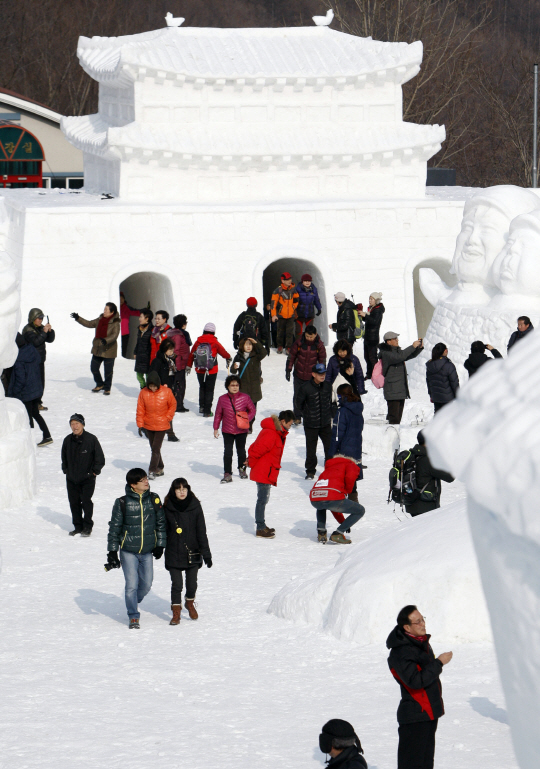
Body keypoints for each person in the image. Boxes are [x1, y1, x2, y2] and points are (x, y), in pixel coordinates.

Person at [387, 605, 453, 769]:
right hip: (414, 716)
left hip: (428, 714)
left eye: (423, 619)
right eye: (418, 622)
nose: (423, 624)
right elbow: (415, 681)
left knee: (425, 763)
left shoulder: (420, 643)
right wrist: (439, 663)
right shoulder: (401, 652)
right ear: (407, 627)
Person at [106, 468, 166, 629]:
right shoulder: (122, 502)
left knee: (146, 584)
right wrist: (112, 551)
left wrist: (160, 544)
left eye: (146, 478)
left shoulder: (154, 499)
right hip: (128, 551)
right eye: (142, 480)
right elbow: (114, 528)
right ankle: (133, 615)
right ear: (133, 485)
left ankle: (132, 599)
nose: (147, 481)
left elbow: (161, 523)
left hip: (147, 551)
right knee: (131, 585)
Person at [163, 477, 212, 625]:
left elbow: (201, 532)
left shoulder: (195, 506)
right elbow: (162, 530)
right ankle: (176, 611)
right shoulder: (167, 507)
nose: (182, 492)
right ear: (174, 491)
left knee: (192, 584)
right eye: (179, 489)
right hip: (173, 552)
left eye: (184, 488)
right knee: (177, 584)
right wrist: (159, 547)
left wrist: (207, 554)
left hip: (193, 552)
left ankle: (189, 603)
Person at [247, 410, 294, 538]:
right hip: (263, 471)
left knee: (264, 499)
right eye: (290, 424)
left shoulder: (276, 432)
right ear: (283, 422)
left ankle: (262, 525)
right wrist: (250, 462)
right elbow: (257, 449)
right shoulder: (271, 433)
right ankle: (260, 528)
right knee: (262, 499)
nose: (290, 427)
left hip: (266, 470)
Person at [61, 413, 105, 537]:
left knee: (86, 502)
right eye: (72, 424)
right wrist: (66, 470)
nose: (74, 426)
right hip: (71, 478)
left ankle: (87, 526)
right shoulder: (67, 440)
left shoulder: (91, 439)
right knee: (74, 502)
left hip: (87, 478)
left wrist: (94, 471)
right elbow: (64, 457)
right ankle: (78, 527)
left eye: (77, 423)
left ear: (82, 424)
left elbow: (100, 458)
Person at [8, 333, 52, 447]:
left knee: (28, 417)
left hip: (26, 392)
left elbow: (20, 379)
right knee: (35, 414)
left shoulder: (19, 358)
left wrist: (14, 393)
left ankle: (30, 441)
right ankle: (47, 435)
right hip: (35, 389)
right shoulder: (32, 350)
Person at [309, 455, 365, 543]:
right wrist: (347, 491)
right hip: (332, 497)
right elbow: (350, 477)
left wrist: (342, 521)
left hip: (315, 497)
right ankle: (338, 534)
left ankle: (321, 533)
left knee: (321, 505)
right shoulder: (349, 464)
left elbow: (330, 504)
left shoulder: (329, 468)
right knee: (360, 510)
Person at [71, 302, 121, 395]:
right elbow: (89, 323)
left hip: (109, 349)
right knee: (94, 368)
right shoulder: (100, 319)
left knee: (108, 371)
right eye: (104, 309)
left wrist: (106, 340)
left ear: (112, 312)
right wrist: (78, 318)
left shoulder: (115, 322)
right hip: (98, 348)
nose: (104, 311)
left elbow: (115, 335)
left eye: (106, 310)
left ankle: (107, 388)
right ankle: (100, 384)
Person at [213, 375, 256, 483]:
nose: (235, 387)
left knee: (241, 451)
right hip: (227, 430)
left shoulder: (245, 397)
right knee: (228, 452)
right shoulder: (222, 399)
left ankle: (242, 470)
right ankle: (227, 473)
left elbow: (252, 410)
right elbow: (218, 414)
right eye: (232, 385)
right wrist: (216, 428)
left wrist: (246, 419)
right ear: (227, 386)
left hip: (241, 430)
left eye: (237, 385)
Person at [136, 370, 177, 480]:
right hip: (148, 424)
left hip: (162, 425)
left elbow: (173, 405)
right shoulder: (143, 393)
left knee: (155, 448)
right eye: (150, 386)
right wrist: (140, 424)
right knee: (154, 448)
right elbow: (140, 409)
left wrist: (167, 418)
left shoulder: (166, 392)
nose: (153, 388)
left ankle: (152, 470)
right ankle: (160, 466)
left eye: (155, 386)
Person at [297, 363, 333, 480]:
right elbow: (299, 404)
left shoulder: (328, 386)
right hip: (311, 424)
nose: (322, 376)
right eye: (319, 374)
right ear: (313, 374)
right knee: (311, 449)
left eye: (324, 373)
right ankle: (310, 471)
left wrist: (330, 413)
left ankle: (330, 469)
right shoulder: (305, 387)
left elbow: (330, 402)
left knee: (329, 448)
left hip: (326, 423)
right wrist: (308, 414)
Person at [186, 323, 232, 418]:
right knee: (209, 390)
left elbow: (192, 354)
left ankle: (202, 407)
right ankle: (207, 411)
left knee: (202, 387)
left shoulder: (198, 341)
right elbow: (223, 351)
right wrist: (228, 357)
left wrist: (189, 365)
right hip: (212, 369)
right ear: (213, 332)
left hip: (199, 369)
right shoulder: (214, 341)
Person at [378, 332, 423, 425]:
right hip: (392, 390)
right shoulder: (386, 353)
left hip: (399, 389)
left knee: (397, 418)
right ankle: (390, 436)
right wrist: (412, 346)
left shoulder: (396, 352)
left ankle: (394, 435)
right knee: (394, 419)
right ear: (388, 342)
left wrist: (419, 348)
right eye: (395, 339)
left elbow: (408, 355)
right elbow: (400, 357)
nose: (397, 340)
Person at [406, 431, 454, 516]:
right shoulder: (429, 460)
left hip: (412, 505)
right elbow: (450, 477)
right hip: (426, 507)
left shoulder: (412, 456)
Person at [286, 324, 326, 424]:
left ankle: (309, 416)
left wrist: (321, 375)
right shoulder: (299, 342)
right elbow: (292, 356)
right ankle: (297, 416)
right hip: (298, 374)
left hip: (311, 377)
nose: (309, 339)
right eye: (307, 336)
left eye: (311, 337)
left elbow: (322, 361)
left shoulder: (319, 345)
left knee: (310, 397)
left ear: (315, 335)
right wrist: (288, 369)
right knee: (297, 396)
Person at [22, 307, 55, 410]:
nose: (41, 320)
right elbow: (35, 342)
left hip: (40, 360)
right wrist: (44, 332)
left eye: (42, 318)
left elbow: (50, 340)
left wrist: (50, 331)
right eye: (39, 318)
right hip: (31, 362)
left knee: (40, 383)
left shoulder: (40, 328)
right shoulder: (28, 330)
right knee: (33, 384)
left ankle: (37, 403)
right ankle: (31, 404)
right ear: (33, 318)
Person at [230, 337, 267, 427]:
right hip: (243, 387)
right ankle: (244, 424)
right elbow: (233, 371)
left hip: (254, 387)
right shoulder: (238, 356)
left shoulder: (256, 356)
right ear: (242, 346)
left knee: (252, 408)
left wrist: (257, 342)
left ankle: (250, 423)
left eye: (250, 344)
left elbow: (264, 352)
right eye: (246, 344)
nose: (248, 346)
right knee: (243, 408)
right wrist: (234, 367)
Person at [149, 339, 180, 442]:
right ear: (164, 350)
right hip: (159, 391)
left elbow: (173, 376)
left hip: (169, 390)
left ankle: (170, 433)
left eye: (172, 350)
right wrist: (158, 386)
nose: (172, 352)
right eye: (170, 350)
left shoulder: (171, 360)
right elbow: (152, 376)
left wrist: (174, 388)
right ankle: (149, 428)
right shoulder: (157, 361)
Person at [330, 384, 364, 462]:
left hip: (344, 451)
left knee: (344, 473)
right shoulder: (358, 410)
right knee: (356, 472)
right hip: (357, 448)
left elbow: (337, 434)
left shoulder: (342, 411)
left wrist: (332, 452)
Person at [166, 314, 191, 412]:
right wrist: (178, 366)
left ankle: (178, 404)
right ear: (184, 324)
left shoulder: (177, 334)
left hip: (180, 363)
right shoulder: (178, 336)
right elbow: (176, 351)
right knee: (179, 385)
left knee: (178, 384)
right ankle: (178, 405)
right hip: (179, 365)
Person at [425, 342, 459, 413]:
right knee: (447, 418)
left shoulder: (430, 365)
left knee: (438, 417)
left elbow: (428, 382)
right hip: (448, 398)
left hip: (435, 397)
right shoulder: (449, 365)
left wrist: (431, 395)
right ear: (445, 351)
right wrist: (457, 395)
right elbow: (454, 382)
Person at [271, 272, 299, 353]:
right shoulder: (277, 291)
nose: (289, 281)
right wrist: (274, 315)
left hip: (290, 315)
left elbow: (296, 300)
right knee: (280, 332)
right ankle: (279, 346)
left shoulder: (293, 290)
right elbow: (273, 304)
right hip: (280, 315)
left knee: (290, 332)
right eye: (287, 279)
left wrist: (293, 307)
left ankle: (288, 347)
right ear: (282, 281)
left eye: (290, 279)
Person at [358, 292, 384, 379]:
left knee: (373, 357)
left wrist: (365, 315)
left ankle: (376, 374)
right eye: (369, 299)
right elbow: (369, 320)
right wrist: (362, 316)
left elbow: (374, 321)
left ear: (376, 300)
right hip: (367, 336)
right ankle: (369, 374)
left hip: (373, 337)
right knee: (367, 356)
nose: (370, 301)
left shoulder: (378, 310)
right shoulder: (372, 309)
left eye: (371, 299)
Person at [134, 309, 154, 390]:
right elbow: (138, 342)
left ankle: (148, 390)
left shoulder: (152, 330)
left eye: (141, 316)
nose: (139, 318)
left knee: (148, 376)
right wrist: (135, 352)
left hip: (147, 357)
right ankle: (143, 387)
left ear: (147, 318)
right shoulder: (140, 329)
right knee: (139, 376)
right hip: (140, 356)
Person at [119, 291, 140, 358]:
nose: (121, 300)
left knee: (123, 349)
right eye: (119, 298)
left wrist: (146, 310)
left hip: (125, 333)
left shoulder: (126, 308)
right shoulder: (114, 309)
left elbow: (136, 312)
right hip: (116, 333)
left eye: (122, 298)